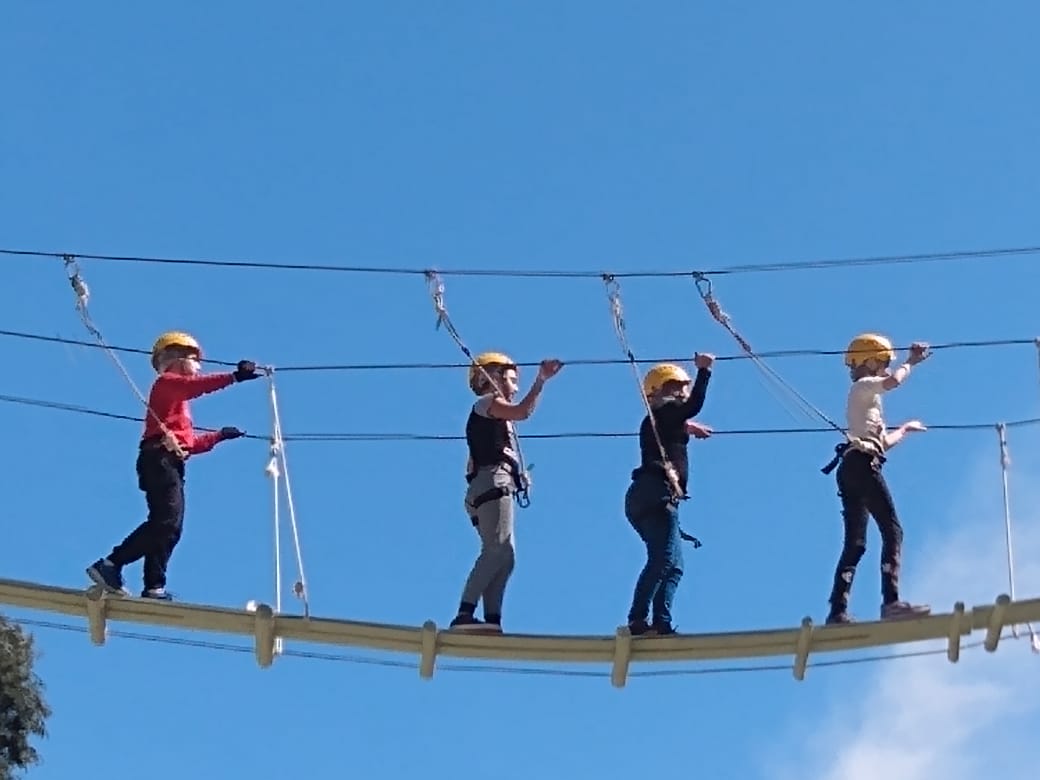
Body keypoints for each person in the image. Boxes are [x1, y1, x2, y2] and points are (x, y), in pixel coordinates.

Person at [86, 331, 261, 600]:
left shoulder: (178, 404)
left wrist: (219, 436)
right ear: (176, 357)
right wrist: (234, 376)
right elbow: (196, 387)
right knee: (166, 522)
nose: (200, 366)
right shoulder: (166, 384)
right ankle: (111, 564)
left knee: (170, 526)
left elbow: (189, 445)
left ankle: (154, 586)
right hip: (159, 458)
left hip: (170, 461)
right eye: (195, 359)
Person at [449, 351, 563, 633]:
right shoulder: (487, 404)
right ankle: (464, 613)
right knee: (497, 550)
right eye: (511, 380)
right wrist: (541, 381)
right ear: (493, 378)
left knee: (505, 555)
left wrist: (515, 476)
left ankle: (491, 620)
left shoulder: (493, 419)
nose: (515, 387)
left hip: (489, 485)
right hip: (492, 484)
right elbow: (524, 411)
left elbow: (474, 461)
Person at [822, 333, 931, 625]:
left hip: (852, 467)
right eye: (883, 362)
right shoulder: (864, 386)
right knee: (892, 530)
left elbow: (882, 442)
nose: (884, 368)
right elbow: (893, 382)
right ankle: (891, 602)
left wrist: (905, 430)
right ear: (869, 361)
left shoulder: (868, 401)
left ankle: (837, 610)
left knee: (856, 544)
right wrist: (912, 361)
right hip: (862, 465)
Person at [625, 354, 714, 637]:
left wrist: (688, 427)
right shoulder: (666, 412)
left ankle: (661, 622)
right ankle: (638, 619)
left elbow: (678, 419)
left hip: (650, 497)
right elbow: (691, 406)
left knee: (674, 565)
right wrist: (704, 371)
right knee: (664, 560)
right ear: (661, 391)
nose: (682, 394)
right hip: (654, 494)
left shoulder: (661, 419)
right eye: (677, 388)